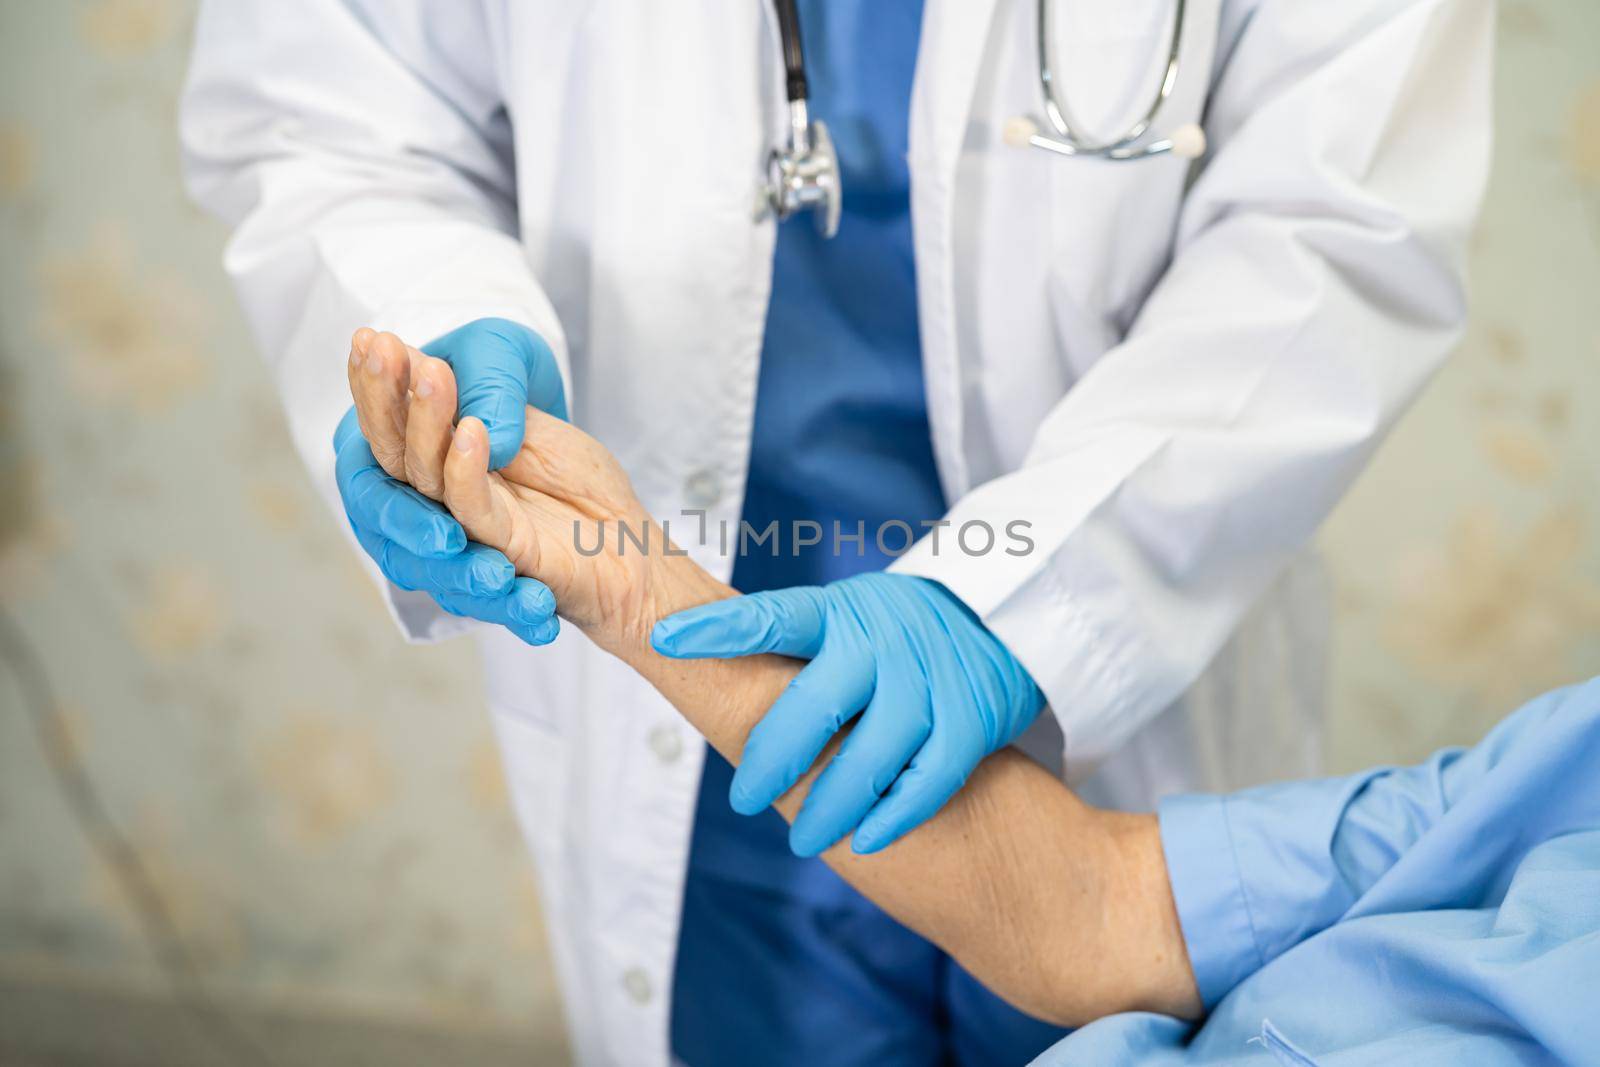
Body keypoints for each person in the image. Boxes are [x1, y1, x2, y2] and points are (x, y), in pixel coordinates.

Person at [181, 2, 1495, 1063]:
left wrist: (1032, 591)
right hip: (695, 722)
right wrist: (432, 322)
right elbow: (329, 113)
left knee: (1112, 965)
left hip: (1114, 653)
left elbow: (1337, 228)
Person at [346, 335, 1600, 1065]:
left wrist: (1018, 595)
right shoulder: (1566, 776)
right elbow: (1099, 905)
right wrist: (632, 585)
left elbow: (1326, 248)